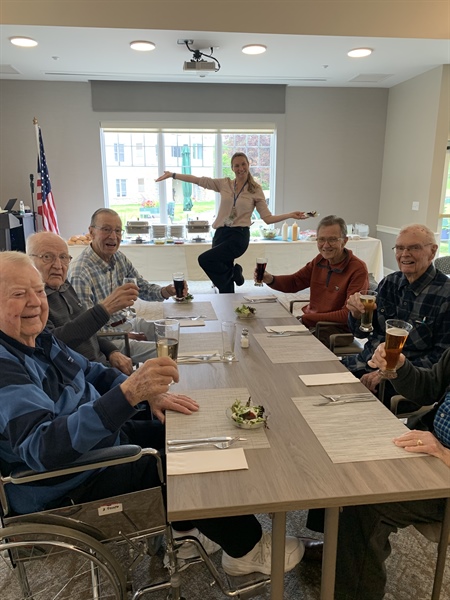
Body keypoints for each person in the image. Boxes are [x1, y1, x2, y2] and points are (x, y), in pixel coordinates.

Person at [0, 251, 322, 576]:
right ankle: (246, 549)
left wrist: (145, 395)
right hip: (64, 481)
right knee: (185, 458)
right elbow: (44, 449)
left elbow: (94, 373)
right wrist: (127, 395)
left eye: (39, 291)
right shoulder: (4, 367)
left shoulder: (39, 339)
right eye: (18, 294)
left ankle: (185, 531)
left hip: (95, 445)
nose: (36, 302)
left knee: (188, 429)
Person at [334, 343, 450, 600]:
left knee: (366, 501)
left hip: (444, 471)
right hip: (430, 453)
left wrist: (444, 453)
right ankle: (336, 553)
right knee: (349, 454)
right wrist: (399, 367)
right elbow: (429, 387)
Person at [156, 152, 308, 293]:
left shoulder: (256, 190)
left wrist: (290, 215)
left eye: (243, 164)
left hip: (238, 236)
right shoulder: (225, 184)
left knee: (205, 259)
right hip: (220, 234)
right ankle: (230, 294)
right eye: (237, 165)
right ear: (232, 168)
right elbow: (198, 180)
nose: (240, 168)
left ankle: (235, 273)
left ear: (248, 165)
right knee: (225, 284)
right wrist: (173, 175)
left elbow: (267, 218)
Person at [343, 223, 450, 406]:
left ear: (432, 252)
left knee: (345, 412)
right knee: (317, 386)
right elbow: (362, 334)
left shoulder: (445, 295)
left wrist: (388, 372)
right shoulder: (389, 283)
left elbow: (440, 363)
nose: (404, 254)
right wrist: (355, 315)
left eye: (414, 247)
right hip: (364, 362)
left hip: (404, 382)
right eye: (400, 248)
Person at [68, 208, 185, 363]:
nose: (113, 236)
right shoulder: (80, 272)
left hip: (128, 322)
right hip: (107, 339)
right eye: (106, 229)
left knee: (174, 334)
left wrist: (166, 291)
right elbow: (86, 327)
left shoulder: (118, 258)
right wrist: (124, 336)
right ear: (91, 232)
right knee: (168, 352)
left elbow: (142, 287)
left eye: (117, 230)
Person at [27, 231, 135, 374]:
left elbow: (88, 330)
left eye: (64, 257)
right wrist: (105, 308)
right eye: (47, 257)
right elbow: (53, 342)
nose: (58, 265)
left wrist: (112, 351)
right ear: (28, 261)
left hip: (102, 366)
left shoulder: (65, 286)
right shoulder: (31, 301)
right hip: (80, 377)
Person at [259, 215, 369, 346]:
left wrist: (309, 318)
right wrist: (270, 279)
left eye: (332, 240)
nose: (326, 245)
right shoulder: (320, 260)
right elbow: (295, 282)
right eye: (321, 239)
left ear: (344, 241)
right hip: (312, 323)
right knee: (268, 332)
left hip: (336, 331)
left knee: (289, 345)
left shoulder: (357, 269)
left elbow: (348, 313)